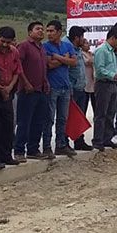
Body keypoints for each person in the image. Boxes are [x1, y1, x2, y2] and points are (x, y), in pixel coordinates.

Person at [14, 21, 51, 163]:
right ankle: (18, 151)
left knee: (38, 122)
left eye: (42, 29)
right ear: (30, 32)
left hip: (41, 90)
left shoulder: (41, 48)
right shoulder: (24, 46)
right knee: (24, 121)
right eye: (37, 29)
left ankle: (33, 149)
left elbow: (43, 68)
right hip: (28, 91)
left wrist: (45, 81)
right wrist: (25, 83)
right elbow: (18, 66)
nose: (41, 31)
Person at [0, 27, 22, 168]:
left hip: (9, 91)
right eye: (3, 41)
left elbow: (17, 72)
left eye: (8, 42)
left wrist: (9, 88)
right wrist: (0, 88)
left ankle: (7, 155)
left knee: (8, 125)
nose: (5, 45)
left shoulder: (14, 52)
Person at [43, 20, 77, 157]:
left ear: (59, 32)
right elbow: (49, 65)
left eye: (52, 31)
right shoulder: (45, 47)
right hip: (52, 87)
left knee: (63, 118)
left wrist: (57, 57)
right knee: (49, 118)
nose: (49, 34)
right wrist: (64, 59)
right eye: (48, 31)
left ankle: (61, 144)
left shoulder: (67, 46)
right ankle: (46, 146)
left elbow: (74, 62)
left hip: (65, 86)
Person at [93, 26, 117, 151]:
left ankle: (107, 138)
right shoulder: (102, 50)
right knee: (101, 113)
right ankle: (98, 140)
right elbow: (100, 69)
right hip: (103, 84)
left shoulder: (111, 51)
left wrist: (116, 74)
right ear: (113, 38)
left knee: (111, 112)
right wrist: (113, 75)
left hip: (112, 84)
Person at [64, 26, 93, 151]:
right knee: (67, 116)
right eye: (82, 37)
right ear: (77, 38)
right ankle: (63, 142)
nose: (84, 40)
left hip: (81, 88)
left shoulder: (78, 49)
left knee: (79, 116)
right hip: (72, 89)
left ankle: (79, 140)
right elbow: (66, 70)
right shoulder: (68, 48)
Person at [81, 38, 96, 115]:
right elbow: (88, 62)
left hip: (93, 82)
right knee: (84, 106)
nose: (88, 45)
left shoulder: (91, 53)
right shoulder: (81, 54)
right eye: (86, 43)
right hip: (85, 82)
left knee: (96, 106)